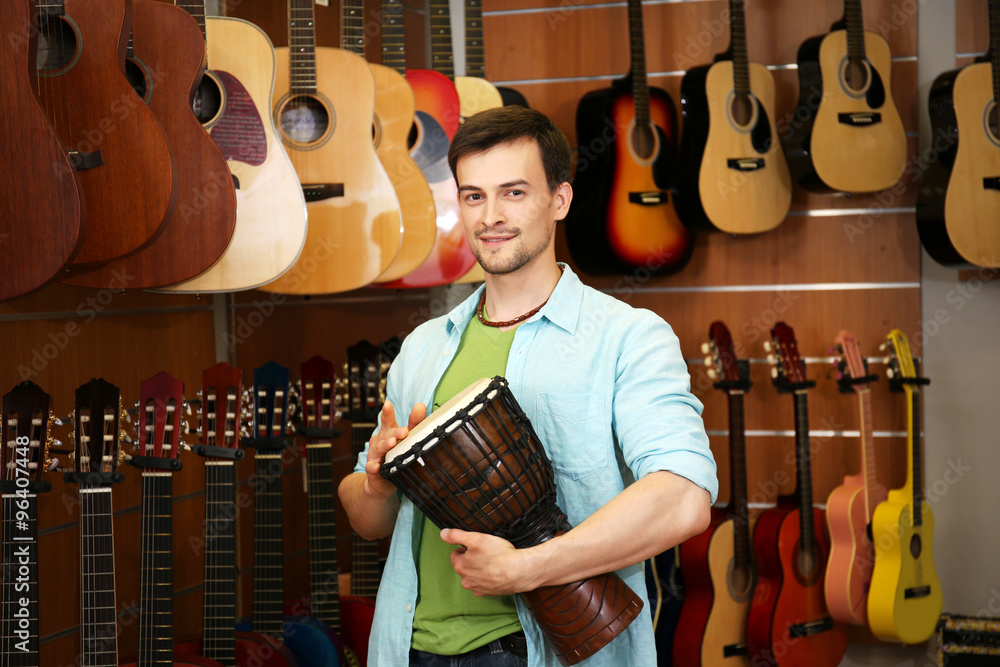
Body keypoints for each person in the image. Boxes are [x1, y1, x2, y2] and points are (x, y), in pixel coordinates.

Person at [338, 106, 717, 666]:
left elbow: (685, 498)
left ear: (559, 200)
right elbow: (368, 520)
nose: (490, 216)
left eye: (513, 193)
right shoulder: (421, 347)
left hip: (540, 651)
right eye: (473, 196)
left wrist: (528, 568)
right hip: (408, 646)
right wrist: (375, 484)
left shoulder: (627, 337)